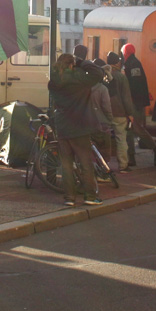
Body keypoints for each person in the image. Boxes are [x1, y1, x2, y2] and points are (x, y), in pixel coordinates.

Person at [48, 53, 105, 206]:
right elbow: (98, 73)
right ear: (72, 65)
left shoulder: (53, 81)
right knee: (86, 163)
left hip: (62, 126)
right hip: (80, 125)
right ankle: (90, 197)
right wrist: (82, 62)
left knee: (66, 165)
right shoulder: (79, 78)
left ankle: (69, 198)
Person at [122, 43, 156, 164]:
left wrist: (135, 102)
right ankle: (131, 157)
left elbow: (136, 85)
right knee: (129, 129)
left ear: (126, 52)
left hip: (135, 103)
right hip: (133, 102)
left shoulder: (133, 64)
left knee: (137, 129)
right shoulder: (131, 63)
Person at [105, 52, 136, 173]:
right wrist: (130, 113)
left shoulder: (102, 74)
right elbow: (126, 97)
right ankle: (123, 165)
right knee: (121, 139)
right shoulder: (121, 77)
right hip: (119, 112)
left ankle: (103, 165)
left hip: (104, 112)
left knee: (104, 140)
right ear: (117, 62)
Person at [89, 58, 115, 162]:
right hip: (101, 122)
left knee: (91, 150)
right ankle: (103, 172)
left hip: (88, 122)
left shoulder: (85, 87)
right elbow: (106, 107)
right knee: (104, 150)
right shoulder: (102, 89)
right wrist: (110, 119)